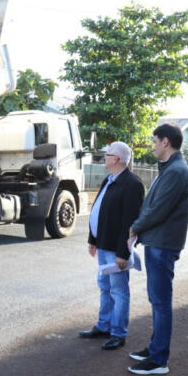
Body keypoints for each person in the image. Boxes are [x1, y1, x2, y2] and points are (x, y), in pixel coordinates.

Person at [127, 123, 188, 375]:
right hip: (158, 242)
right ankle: (155, 347)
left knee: (161, 301)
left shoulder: (175, 171)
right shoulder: (170, 168)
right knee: (157, 299)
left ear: (166, 142)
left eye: (155, 141)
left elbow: (158, 210)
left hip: (162, 244)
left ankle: (158, 359)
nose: (153, 145)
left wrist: (134, 228)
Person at [79, 141, 144, 350]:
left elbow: (130, 222)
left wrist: (123, 253)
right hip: (103, 244)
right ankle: (104, 325)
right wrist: (93, 239)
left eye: (107, 154)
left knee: (119, 291)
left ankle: (118, 333)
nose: (104, 157)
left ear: (117, 159)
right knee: (105, 287)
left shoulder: (132, 184)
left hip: (116, 249)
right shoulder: (110, 179)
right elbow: (100, 210)